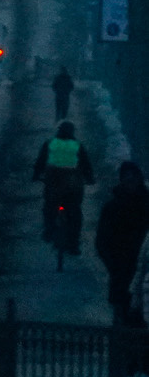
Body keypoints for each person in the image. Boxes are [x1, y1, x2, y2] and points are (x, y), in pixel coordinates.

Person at [34, 121, 95, 267]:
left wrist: (36, 174)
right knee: (74, 213)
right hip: (73, 186)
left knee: (49, 206)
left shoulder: (50, 143)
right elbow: (86, 165)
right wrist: (90, 178)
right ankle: (73, 244)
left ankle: (49, 231)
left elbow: (41, 161)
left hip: (53, 184)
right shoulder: (77, 146)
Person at [96, 161, 149, 327]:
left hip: (145, 276)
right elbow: (101, 242)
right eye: (127, 180)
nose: (130, 183)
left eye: (133, 179)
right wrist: (113, 266)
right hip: (122, 275)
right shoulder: (112, 208)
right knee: (122, 325)